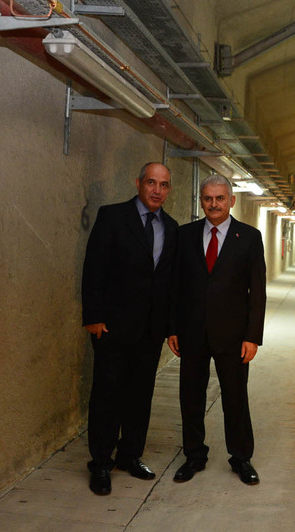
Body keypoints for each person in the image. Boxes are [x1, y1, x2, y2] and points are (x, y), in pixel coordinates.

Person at [81, 162, 178, 496]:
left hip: (150, 330)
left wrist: (170, 327)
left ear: (168, 189)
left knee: (140, 395)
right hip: (112, 327)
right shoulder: (112, 216)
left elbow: (168, 282)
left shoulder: (172, 227)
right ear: (138, 183)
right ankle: (101, 463)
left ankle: (130, 456)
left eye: (163, 185)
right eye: (151, 182)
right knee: (107, 394)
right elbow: (93, 268)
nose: (156, 190)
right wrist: (93, 316)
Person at [168, 174, 267, 485]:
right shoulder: (184, 235)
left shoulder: (249, 237)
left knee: (235, 398)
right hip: (192, 333)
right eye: (208, 198)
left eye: (220, 198)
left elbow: (258, 291)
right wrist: (172, 328)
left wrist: (253, 336)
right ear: (201, 201)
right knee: (191, 397)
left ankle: (241, 457)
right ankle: (194, 455)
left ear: (231, 201)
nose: (214, 204)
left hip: (234, 336)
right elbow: (174, 287)